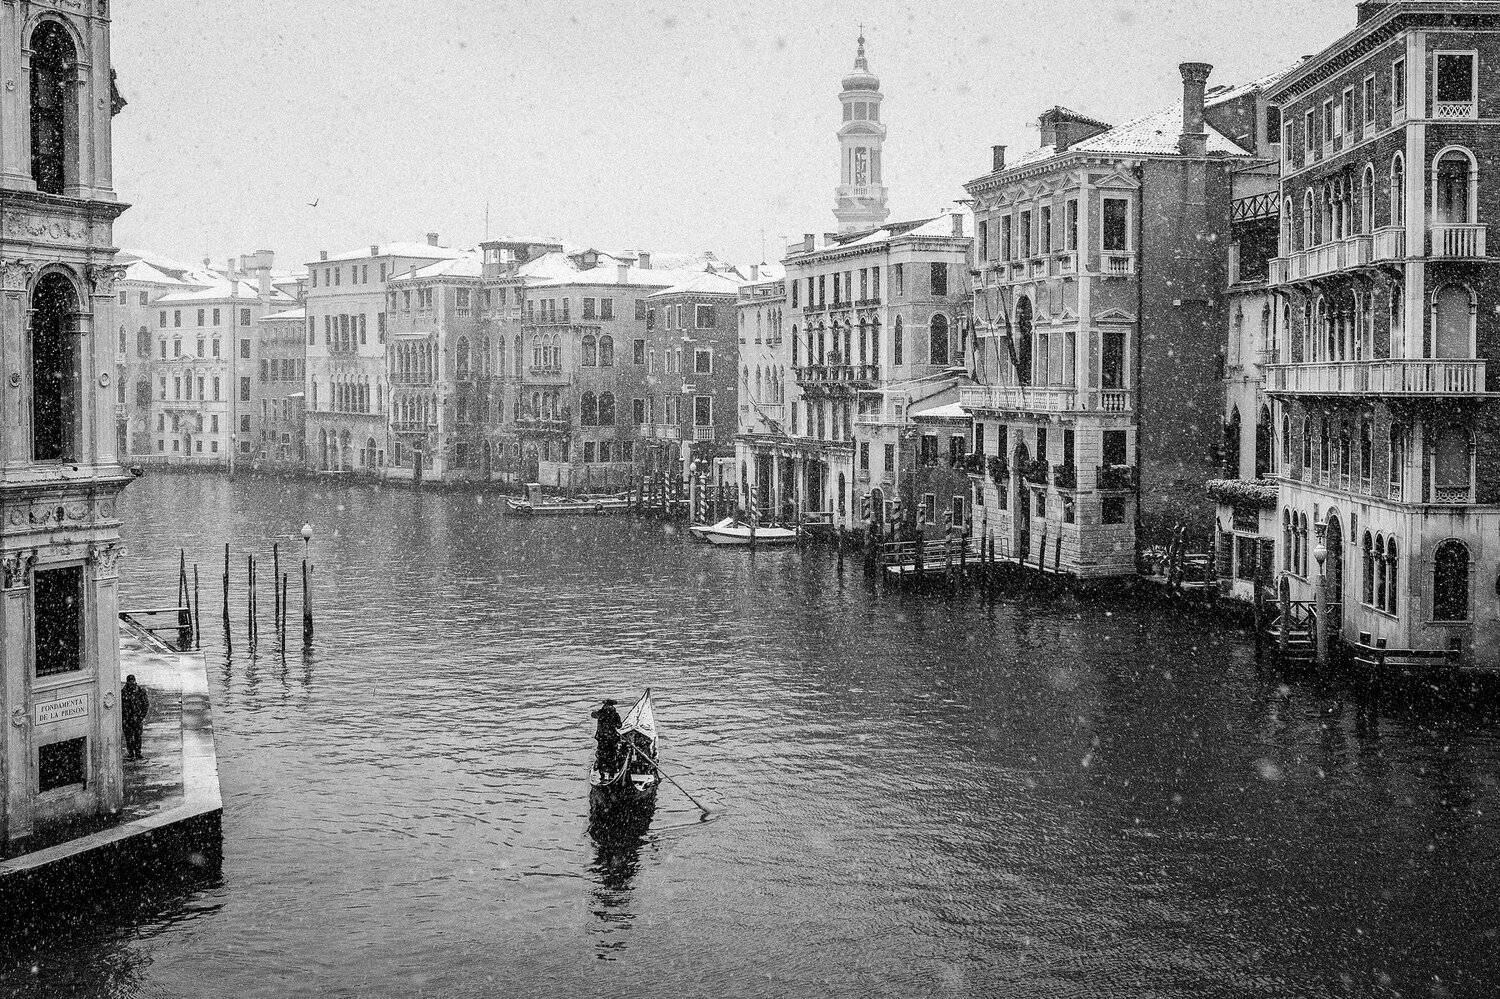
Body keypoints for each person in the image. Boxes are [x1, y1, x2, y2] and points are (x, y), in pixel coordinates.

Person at [590, 698, 621, 775]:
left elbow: (593, 715)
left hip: (603, 738)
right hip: (610, 738)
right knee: (611, 754)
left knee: (603, 753)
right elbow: (619, 725)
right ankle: (610, 772)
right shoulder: (614, 714)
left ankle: (602, 772)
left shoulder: (602, 713)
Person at [121, 674, 149, 760]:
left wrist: (141, 716)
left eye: (132, 681)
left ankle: (138, 753)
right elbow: (120, 706)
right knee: (129, 737)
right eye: (129, 681)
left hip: (137, 718)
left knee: (137, 736)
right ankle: (131, 753)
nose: (131, 683)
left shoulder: (140, 691)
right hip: (127, 719)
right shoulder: (123, 692)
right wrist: (124, 718)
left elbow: (146, 704)